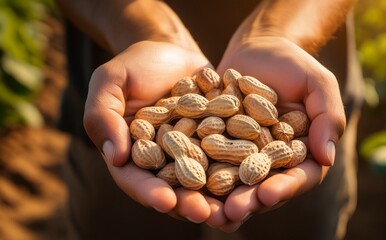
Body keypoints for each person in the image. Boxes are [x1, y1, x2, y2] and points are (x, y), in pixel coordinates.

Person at [56, 0, 364, 239]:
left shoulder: (264, 127)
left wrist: (276, 30)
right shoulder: (174, 127)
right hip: (129, 105)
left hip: (299, 94)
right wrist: (147, 31)